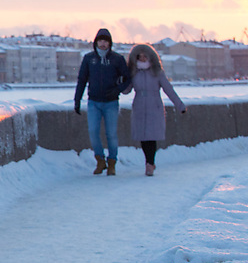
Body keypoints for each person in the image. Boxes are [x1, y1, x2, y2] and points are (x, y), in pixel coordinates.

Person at [122, 44, 186, 176]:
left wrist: (180, 105)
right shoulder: (133, 73)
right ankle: (148, 162)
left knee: (151, 137)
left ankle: (150, 164)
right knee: (143, 137)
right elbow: (126, 90)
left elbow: (168, 89)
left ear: (151, 57)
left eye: (145, 56)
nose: (143, 59)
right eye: (140, 57)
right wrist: (120, 81)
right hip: (139, 106)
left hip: (154, 106)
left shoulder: (157, 72)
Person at [74, 28, 131, 175]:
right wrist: (77, 100)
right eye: (100, 40)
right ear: (96, 42)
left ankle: (112, 163)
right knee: (93, 132)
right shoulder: (89, 59)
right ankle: (100, 161)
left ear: (110, 43)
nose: (103, 44)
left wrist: (117, 90)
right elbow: (82, 80)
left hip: (111, 102)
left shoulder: (117, 59)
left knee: (111, 134)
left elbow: (127, 78)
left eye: (106, 41)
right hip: (93, 102)